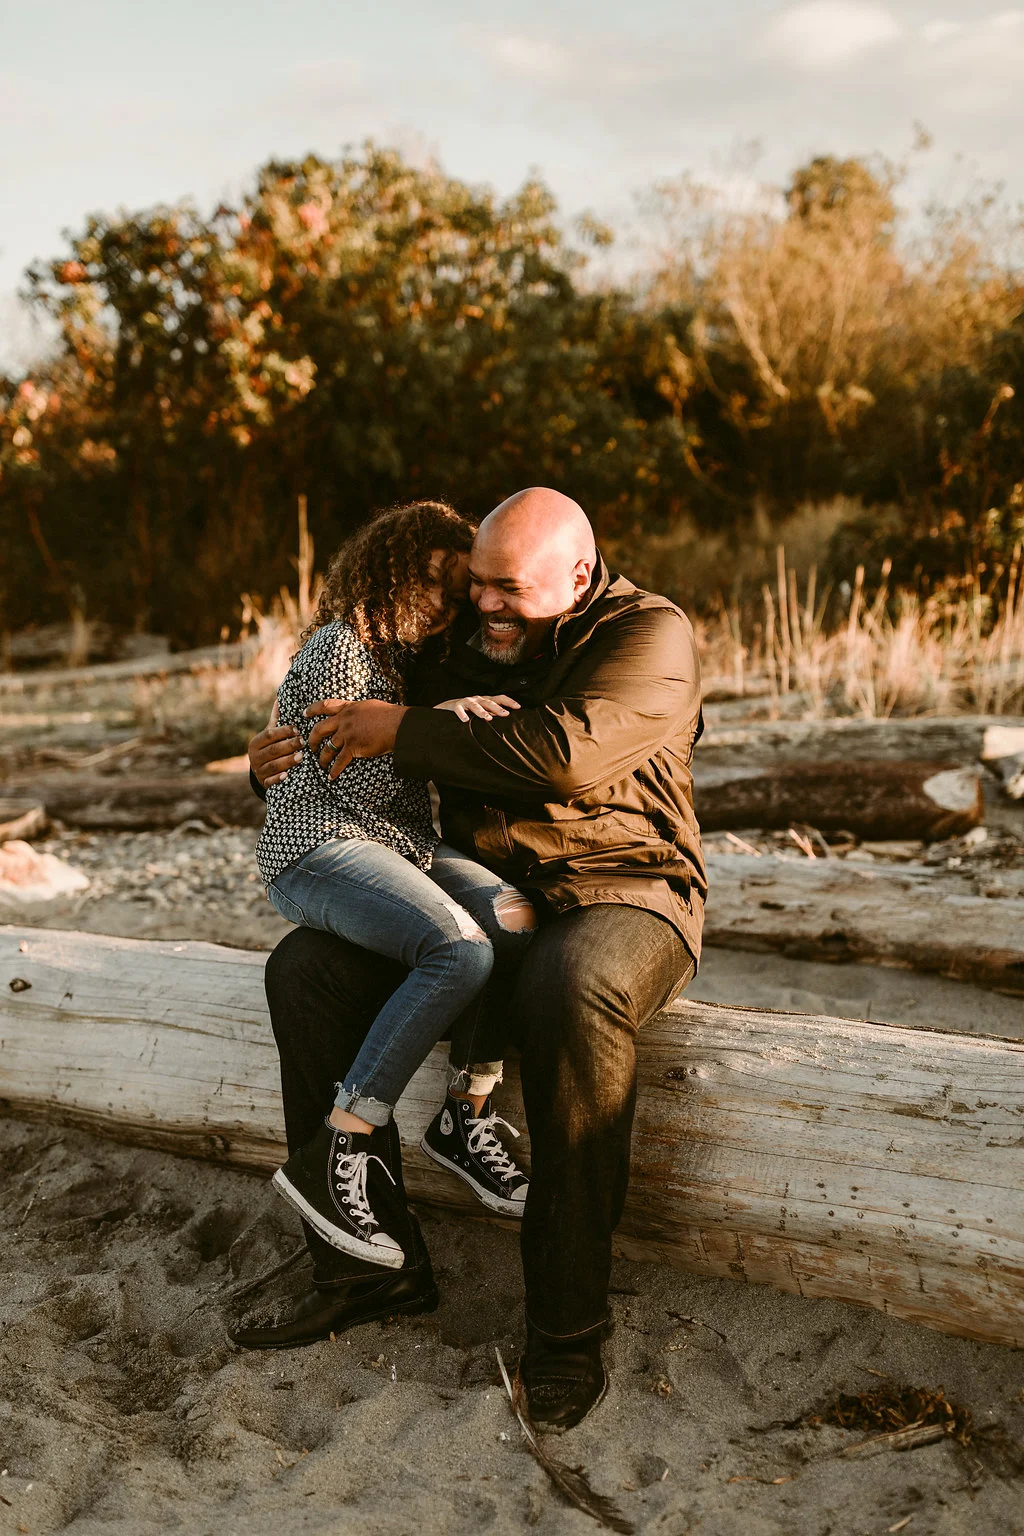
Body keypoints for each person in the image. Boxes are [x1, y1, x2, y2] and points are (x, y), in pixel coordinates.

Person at [237, 487, 706, 1434]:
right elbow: (356, 714)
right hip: (481, 894)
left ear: (578, 576)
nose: (486, 604)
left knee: (572, 986)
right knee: (303, 969)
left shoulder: (648, 635)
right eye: (477, 584)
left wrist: (400, 729)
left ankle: (567, 1331)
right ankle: (366, 1268)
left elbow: (561, 757)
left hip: (621, 891)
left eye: (509, 589)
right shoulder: (468, 634)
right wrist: (274, 758)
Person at [255, 498, 534, 1272]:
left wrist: (427, 716)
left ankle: (464, 1115)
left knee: (513, 918)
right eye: (436, 582)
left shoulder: (409, 658)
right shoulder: (340, 647)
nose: (450, 603)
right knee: (461, 951)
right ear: (391, 573)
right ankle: (341, 1142)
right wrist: (436, 722)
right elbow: (357, 779)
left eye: (460, 586)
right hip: (319, 845)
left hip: (401, 845)